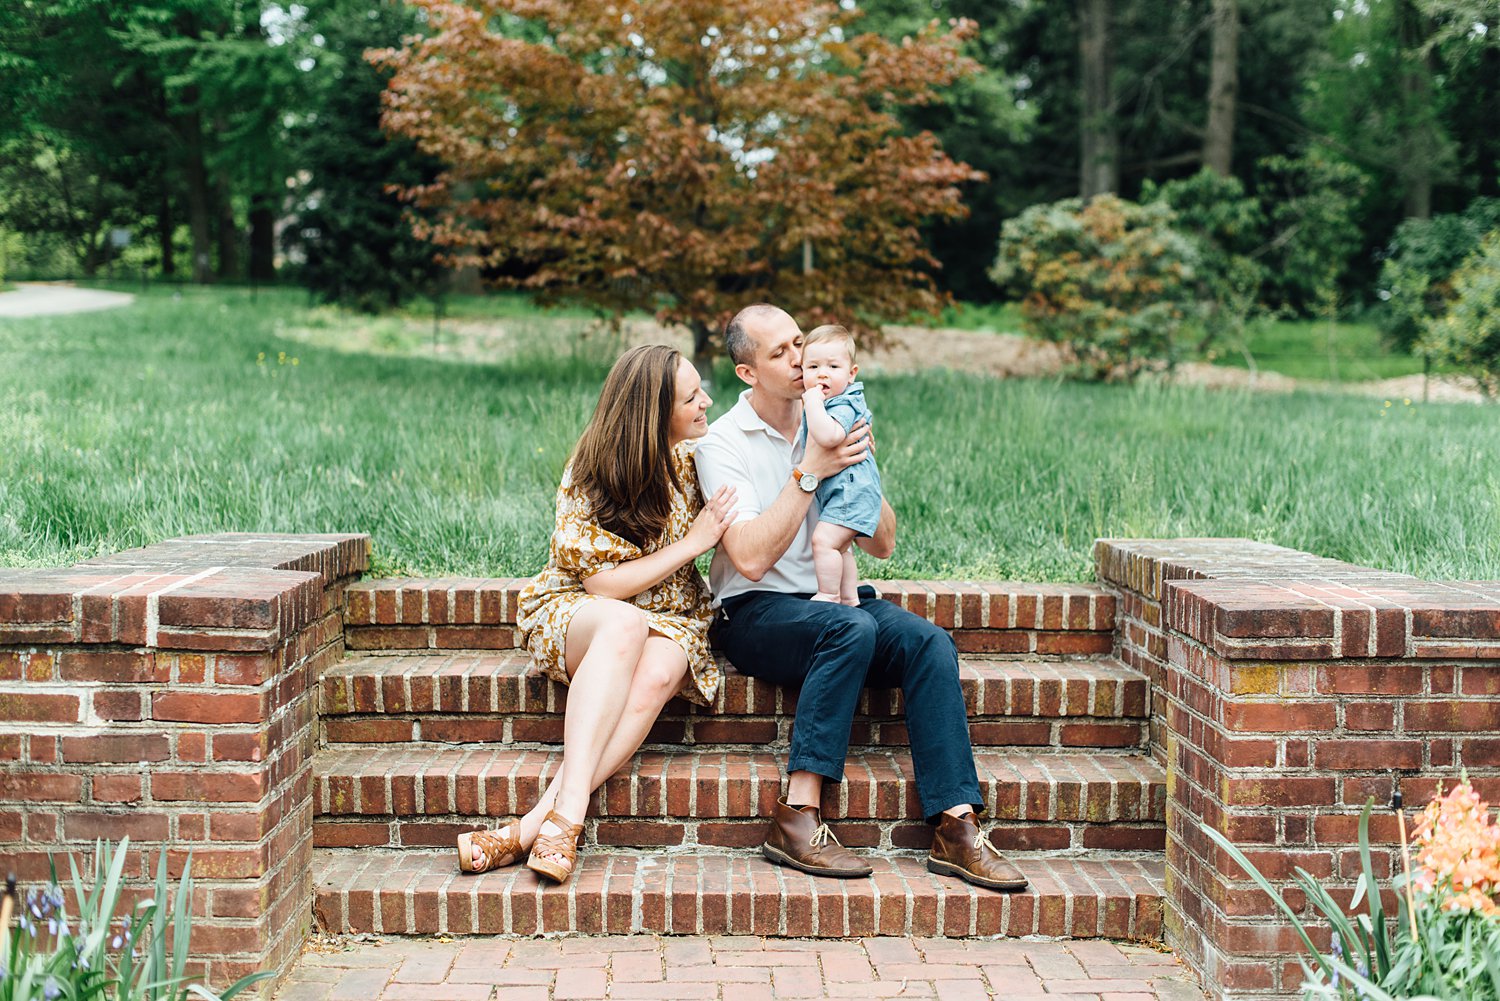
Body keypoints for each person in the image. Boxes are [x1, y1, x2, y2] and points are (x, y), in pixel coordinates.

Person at [693, 304, 1028, 891]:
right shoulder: (722, 442)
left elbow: (884, 544)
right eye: (780, 353)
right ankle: (796, 818)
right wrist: (810, 470)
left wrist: (860, 467)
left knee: (927, 642)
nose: (801, 360)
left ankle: (956, 828)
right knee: (850, 629)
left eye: (801, 342)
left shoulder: (839, 414)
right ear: (748, 373)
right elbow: (746, 556)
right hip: (757, 610)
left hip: (840, 598)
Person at [457, 344, 736, 884]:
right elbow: (602, 584)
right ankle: (570, 819)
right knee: (624, 623)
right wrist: (693, 543)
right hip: (584, 609)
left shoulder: (698, 457)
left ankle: (534, 828)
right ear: (653, 413)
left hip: (674, 613)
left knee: (657, 672)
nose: (706, 401)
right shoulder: (593, 469)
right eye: (691, 396)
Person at [797, 324, 882, 606]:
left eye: (833, 366)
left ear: (851, 373)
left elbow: (829, 436)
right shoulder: (831, 401)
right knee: (842, 548)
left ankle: (829, 594)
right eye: (812, 366)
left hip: (851, 492)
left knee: (824, 542)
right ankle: (849, 597)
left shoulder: (844, 404)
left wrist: (811, 403)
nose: (822, 373)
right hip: (846, 490)